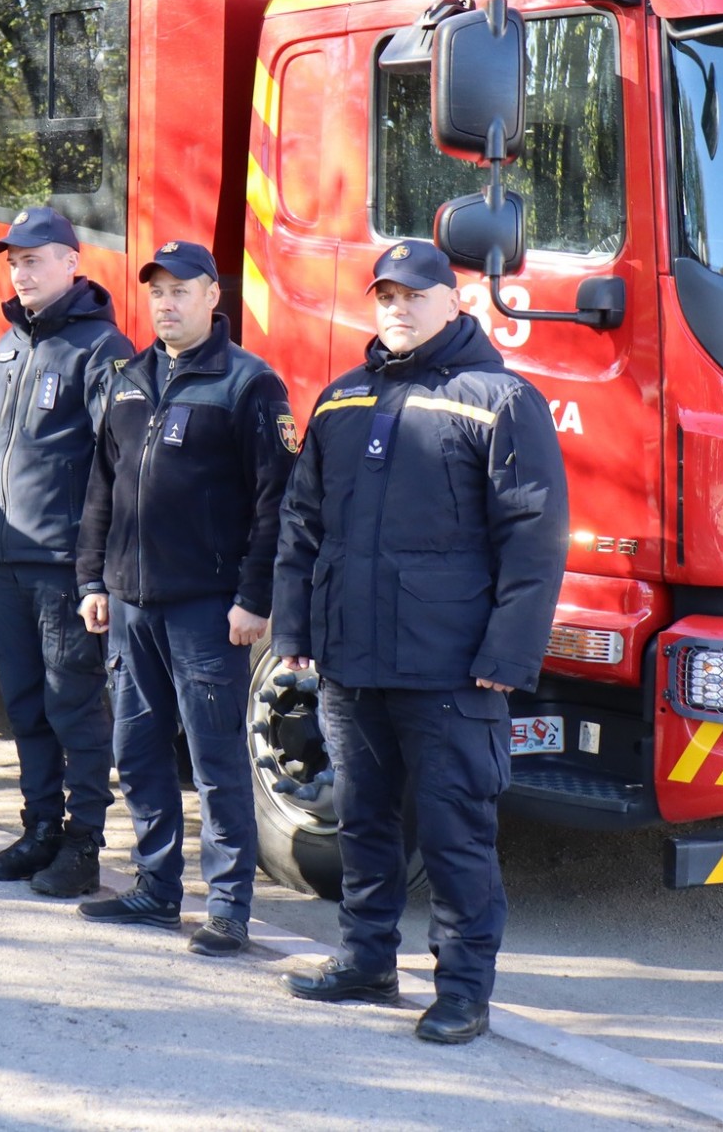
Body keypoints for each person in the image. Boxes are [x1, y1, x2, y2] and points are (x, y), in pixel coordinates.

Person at [270, 238, 567, 1043]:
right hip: (352, 662)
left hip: (451, 671)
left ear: (454, 300)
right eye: (386, 296)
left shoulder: (500, 400)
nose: (397, 309)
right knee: (363, 821)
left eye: (414, 295)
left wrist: (507, 657)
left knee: (453, 831)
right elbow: (302, 526)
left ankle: (464, 989)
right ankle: (366, 958)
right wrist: (294, 625)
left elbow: (534, 539)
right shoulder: (342, 400)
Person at [74, 240, 298, 956]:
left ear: (213, 298)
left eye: (181, 290)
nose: (167, 303)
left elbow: (275, 504)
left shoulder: (248, 385)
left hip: (208, 609)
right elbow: (101, 487)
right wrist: (92, 579)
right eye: (158, 291)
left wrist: (253, 598)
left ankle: (228, 906)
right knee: (136, 749)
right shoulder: (129, 377)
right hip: (131, 604)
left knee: (216, 759)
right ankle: (155, 885)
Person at [0, 207, 133, 897]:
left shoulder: (101, 348)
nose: (22, 272)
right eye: (15, 261)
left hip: (64, 566)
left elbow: (116, 464)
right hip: (5, 558)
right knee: (25, 703)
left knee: (74, 706)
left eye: (35, 260)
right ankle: (39, 831)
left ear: (71, 262)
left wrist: (95, 571)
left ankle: (83, 843)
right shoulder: (9, 345)